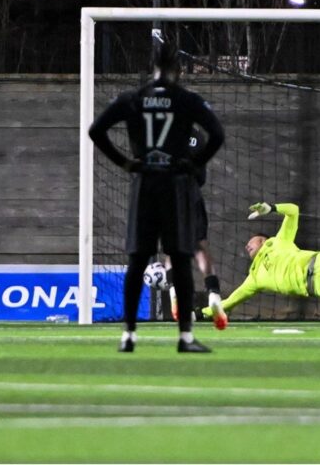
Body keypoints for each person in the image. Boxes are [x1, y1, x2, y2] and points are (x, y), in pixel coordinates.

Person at [89, 45, 224, 353]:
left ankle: (128, 335)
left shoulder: (133, 98)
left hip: (144, 184)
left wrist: (126, 162)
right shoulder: (186, 99)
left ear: (153, 69)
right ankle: (185, 337)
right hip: (176, 186)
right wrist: (194, 163)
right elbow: (217, 134)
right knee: (181, 257)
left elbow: (96, 131)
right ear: (177, 71)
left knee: (137, 260)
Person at [162, 126, 226, 329]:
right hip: (192, 192)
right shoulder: (198, 135)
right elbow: (201, 175)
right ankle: (213, 293)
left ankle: (175, 291)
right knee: (200, 246)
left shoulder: (162, 132)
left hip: (169, 193)